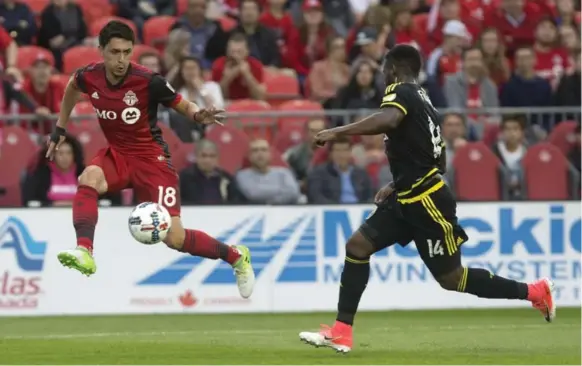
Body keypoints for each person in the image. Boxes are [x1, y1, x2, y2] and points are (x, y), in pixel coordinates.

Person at [298, 44, 556, 353]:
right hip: (408, 195)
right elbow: (439, 159)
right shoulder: (424, 100)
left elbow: (389, 120)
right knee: (357, 246)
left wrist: (337, 132)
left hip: (427, 201)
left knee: (452, 279)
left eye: (383, 70)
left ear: (392, 69)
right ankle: (342, 331)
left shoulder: (401, 91)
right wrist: (397, 184)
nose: (382, 75)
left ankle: (534, 292)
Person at [46, 21, 255, 300]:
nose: (121, 60)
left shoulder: (147, 80)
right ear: (101, 51)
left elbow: (180, 102)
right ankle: (84, 251)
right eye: (114, 52)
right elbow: (72, 87)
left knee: (175, 239)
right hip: (117, 154)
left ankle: (236, 256)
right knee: (88, 179)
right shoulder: (89, 76)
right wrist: (60, 128)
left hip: (151, 160)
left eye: (126, 52)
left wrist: (197, 115)